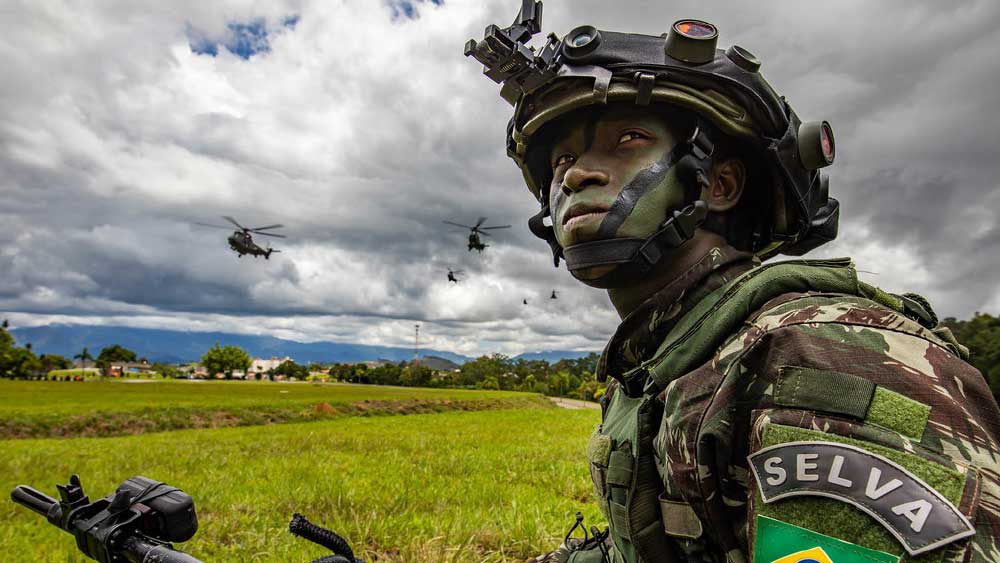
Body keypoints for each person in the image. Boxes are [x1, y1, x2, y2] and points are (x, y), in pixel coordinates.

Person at [466, 3, 1000, 562]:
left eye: (627, 140)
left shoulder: (815, 356)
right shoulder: (667, 360)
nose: (574, 174)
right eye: (564, 159)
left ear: (718, 185)